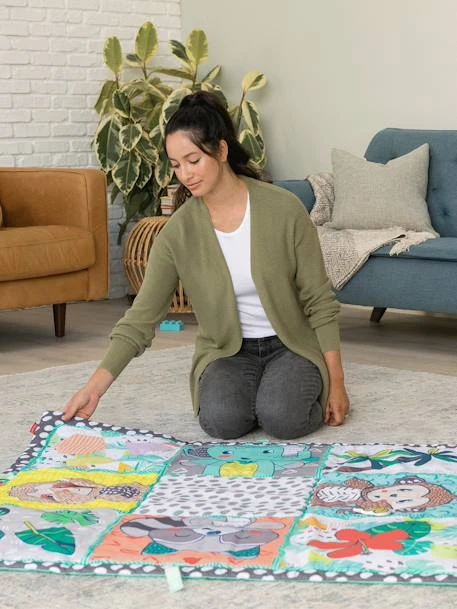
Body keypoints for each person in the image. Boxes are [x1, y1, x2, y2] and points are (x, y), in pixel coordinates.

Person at [64, 91, 350, 440]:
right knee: (221, 422)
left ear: (222, 151)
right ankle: (260, 395)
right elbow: (141, 319)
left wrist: (337, 383)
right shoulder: (179, 232)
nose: (184, 174)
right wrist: (94, 388)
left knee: (283, 419)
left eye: (193, 160)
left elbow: (319, 302)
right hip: (227, 351)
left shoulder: (284, 209)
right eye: (175, 164)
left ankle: (283, 391)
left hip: (290, 346)